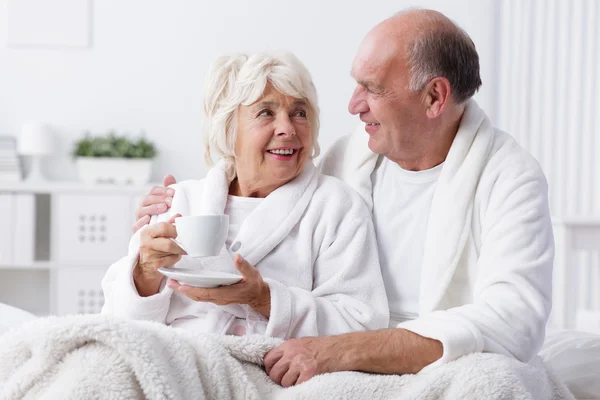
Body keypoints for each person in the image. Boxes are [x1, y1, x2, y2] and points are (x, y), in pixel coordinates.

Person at [134, 9, 554, 388]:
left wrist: (340, 350)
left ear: (434, 97)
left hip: (430, 358)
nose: (353, 105)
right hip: (320, 351)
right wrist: (161, 221)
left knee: (495, 383)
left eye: (371, 89)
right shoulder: (347, 158)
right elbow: (266, 212)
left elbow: (513, 319)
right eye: (356, 85)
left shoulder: (509, 177)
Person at [102, 52, 389, 339]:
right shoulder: (178, 200)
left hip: (266, 369)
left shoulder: (335, 206)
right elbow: (118, 326)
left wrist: (263, 299)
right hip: (177, 357)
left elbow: (361, 324)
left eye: (299, 113)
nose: (288, 129)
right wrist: (144, 273)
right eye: (266, 112)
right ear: (228, 129)